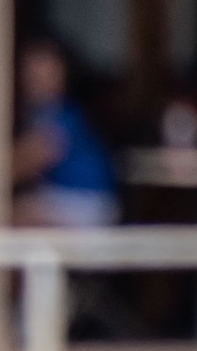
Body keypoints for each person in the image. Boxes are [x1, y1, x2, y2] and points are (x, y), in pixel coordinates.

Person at [13, 36, 118, 228]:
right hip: (63, 198)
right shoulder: (38, 113)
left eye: (44, 73)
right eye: (29, 72)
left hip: (84, 200)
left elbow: (30, 158)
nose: (34, 79)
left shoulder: (64, 115)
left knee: (12, 213)